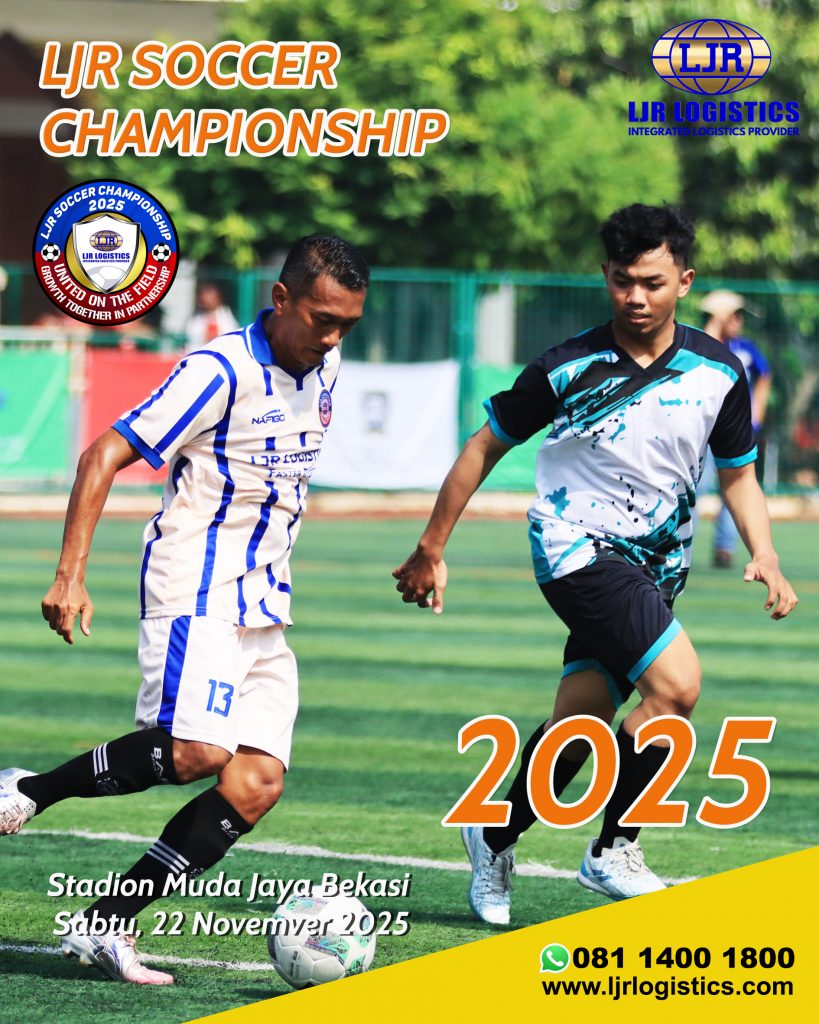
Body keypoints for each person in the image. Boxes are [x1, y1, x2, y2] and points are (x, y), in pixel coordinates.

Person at [393, 204, 797, 924]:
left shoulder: (718, 371)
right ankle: (614, 848)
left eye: (651, 283)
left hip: (658, 563)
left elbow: (739, 475)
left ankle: (492, 834)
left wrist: (764, 552)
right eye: (621, 281)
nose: (634, 298)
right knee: (676, 687)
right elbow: (484, 446)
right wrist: (431, 545)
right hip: (575, 546)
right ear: (605, 276)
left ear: (684, 282)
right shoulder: (566, 366)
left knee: (578, 725)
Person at [0, 235, 369, 983]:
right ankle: (26, 791)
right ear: (282, 299)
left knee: (255, 782)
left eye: (348, 325)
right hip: (194, 583)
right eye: (323, 319)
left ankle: (105, 923)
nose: (333, 338)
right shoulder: (218, 371)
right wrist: (70, 575)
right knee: (199, 751)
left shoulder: (323, 366)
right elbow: (102, 454)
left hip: (265, 598)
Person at [700, 289, 772, 568]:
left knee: (736, 486)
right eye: (734, 315)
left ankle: (724, 548)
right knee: (695, 489)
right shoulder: (699, 344)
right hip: (703, 431)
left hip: (735, 431)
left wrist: (757, 415)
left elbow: (764, 375)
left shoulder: (745, 348)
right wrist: (716, 323)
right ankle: (679, 546)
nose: (739, 321)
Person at [185, 281, 240, 350]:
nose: (204, 298)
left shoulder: (226, 319)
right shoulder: (196, 319)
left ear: (218, 297)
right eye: (203, 294)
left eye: (209, 294)